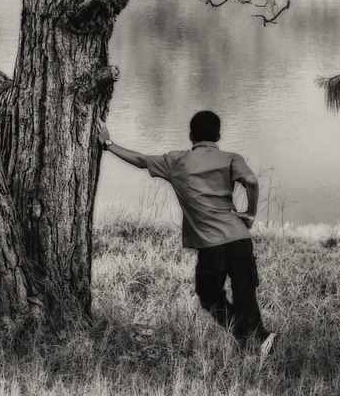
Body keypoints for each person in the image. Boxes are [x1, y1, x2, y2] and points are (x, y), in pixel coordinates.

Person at [96, 110, 277, 357]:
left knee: (208, 296)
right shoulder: (231, 158)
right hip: (239, 238)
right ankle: (258, 339)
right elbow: (253, 181)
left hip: (212, 245)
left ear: (191, 136)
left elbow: (139, 159)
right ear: (219, 135)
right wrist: (250, 214)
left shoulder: (176, 161)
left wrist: (108, 143)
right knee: (245, 294)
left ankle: (247, 338)